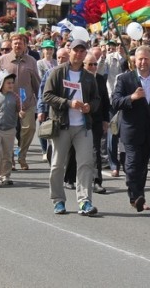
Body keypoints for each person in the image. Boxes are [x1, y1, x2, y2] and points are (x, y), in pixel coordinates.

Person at [43, 39, 101, 216]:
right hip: (62, 125)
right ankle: (58, 200)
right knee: (58, 165)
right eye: (76, 50)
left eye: (82, 51)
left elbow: (97, 99)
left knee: (85, 164)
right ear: (70, 52)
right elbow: (47, 95)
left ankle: (85, 202)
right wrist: (68, 103)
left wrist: (89, 107)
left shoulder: (89, 77)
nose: (79, 54)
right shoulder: (58, 72)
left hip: (83, 126)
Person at [111, 46, 150, 212]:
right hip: (130, 128)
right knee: (131, 164)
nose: (143, 62)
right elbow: (115, 102)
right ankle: (136, 196)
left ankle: (138, 196)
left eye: (146, 59)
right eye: (140, 59)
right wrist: (132, 97)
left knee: (142, 165)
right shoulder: (125, 79)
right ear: (134, 61)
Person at [0, 34, 40, 171]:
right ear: (11, 44)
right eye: (15, 43)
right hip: (7, 103)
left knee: (30, 129)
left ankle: (22, 156)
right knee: (8, 132)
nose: (17, 45)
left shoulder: (31, 61)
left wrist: (41, 103)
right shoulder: (2, 60)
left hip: (27, 103)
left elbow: (37, 83)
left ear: (25, 45)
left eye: (20, 43)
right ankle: (9, 159)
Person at [84, 53, 111, 195]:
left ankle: (97, 181)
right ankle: (70, 177)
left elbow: (105, 101)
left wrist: (106, 120)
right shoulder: (79, 78)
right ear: (84, 65)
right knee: (74, 149)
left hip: (97, 120)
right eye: (90, 64)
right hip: (80, 119)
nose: (93, 67)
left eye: (95, 64)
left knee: (96, 150)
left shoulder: (100, 79)